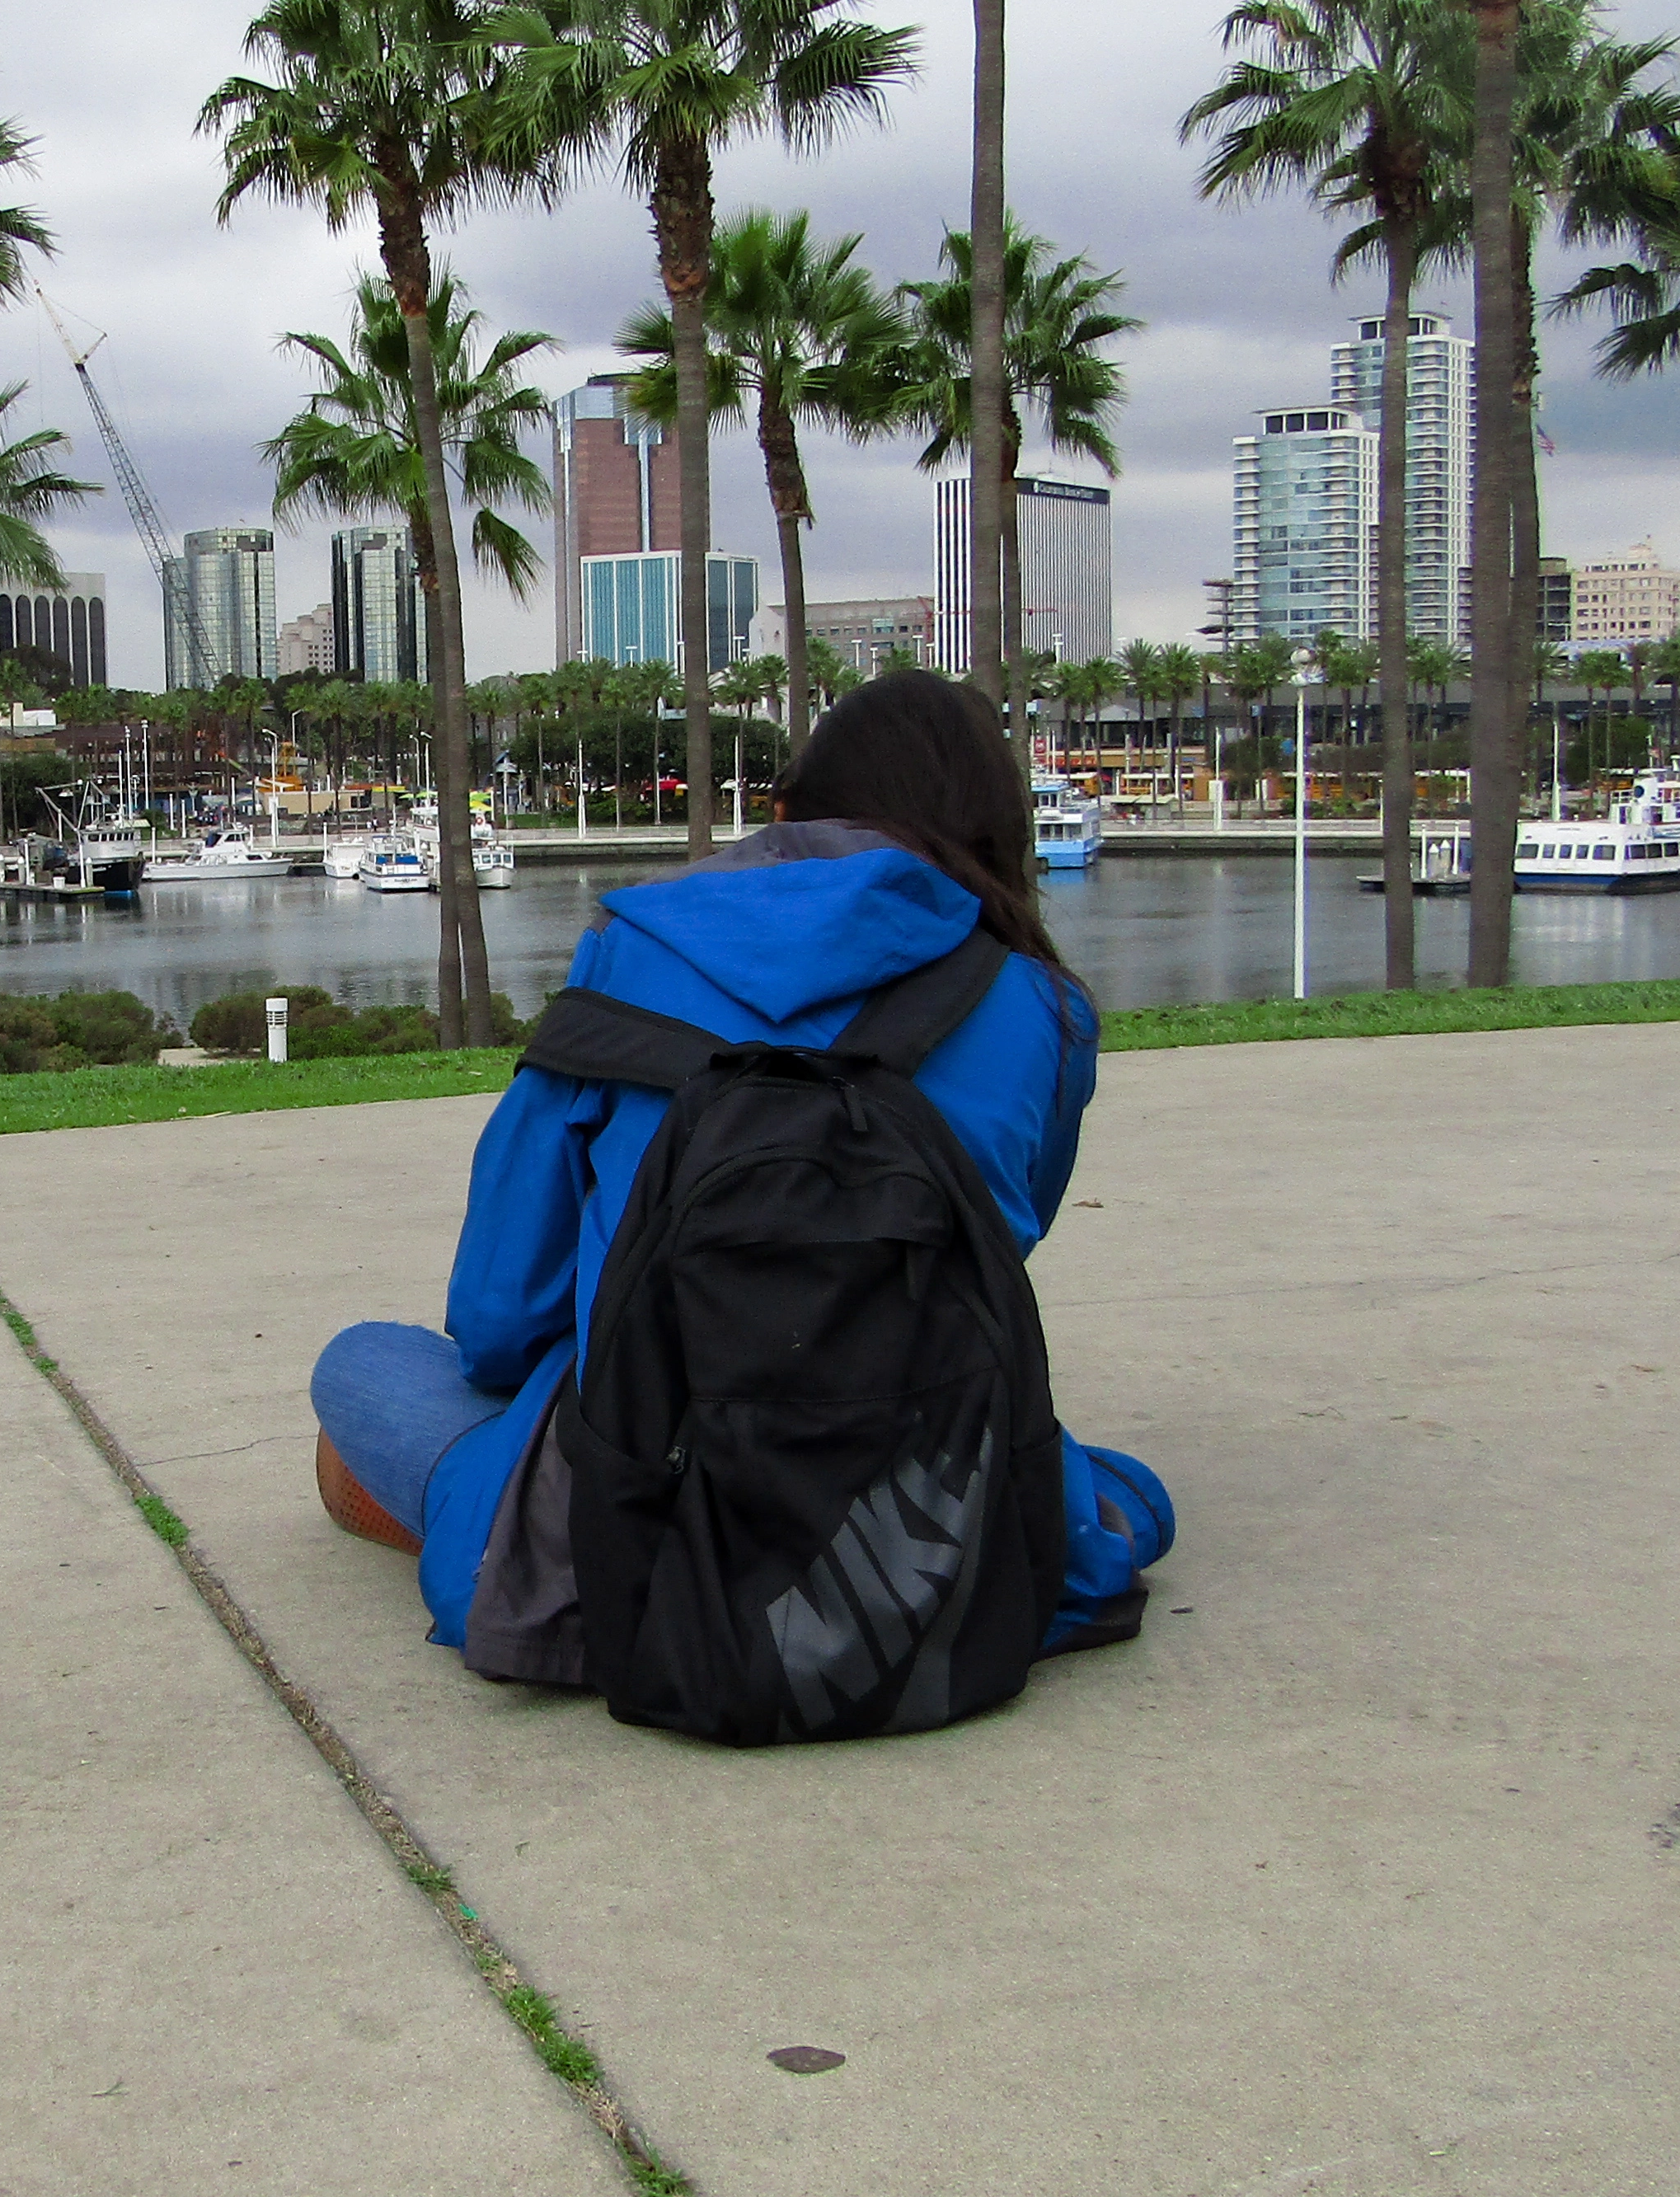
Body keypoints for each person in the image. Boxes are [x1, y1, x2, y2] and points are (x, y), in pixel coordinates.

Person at [311, 670, 1102, 1680]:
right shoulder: (1040, 1002)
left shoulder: (631, 948)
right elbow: (1002, 1241)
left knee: (363, 1363)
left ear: (784, 814)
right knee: (1105, 1484)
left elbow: (503, 1305)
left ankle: (476, 1498)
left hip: (639, 1524)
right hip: (920, 1499)